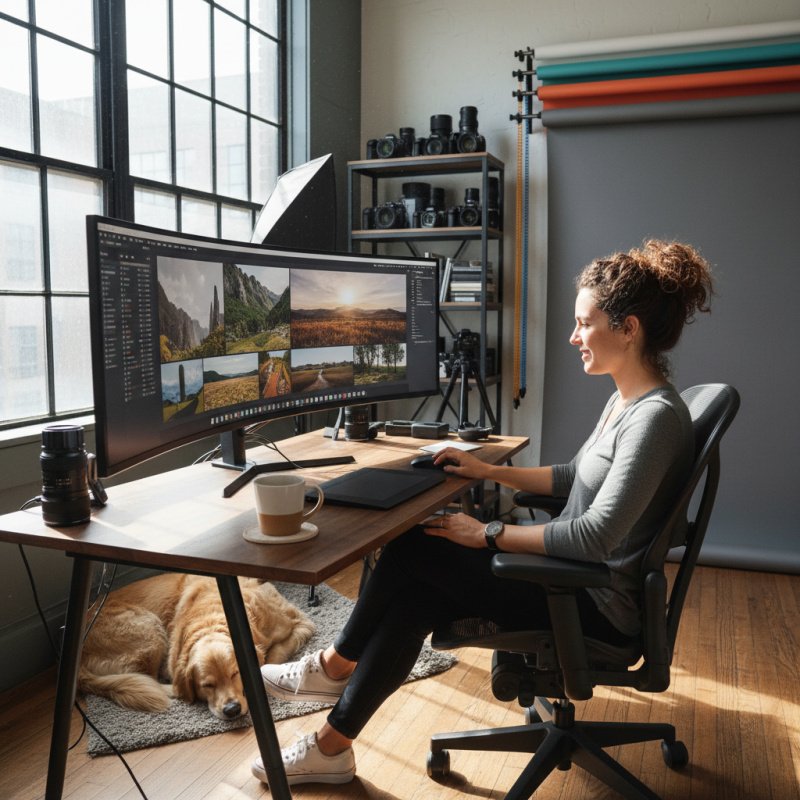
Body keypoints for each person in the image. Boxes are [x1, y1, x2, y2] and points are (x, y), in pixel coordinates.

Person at [251, 239, 714, 787]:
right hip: (577, 581)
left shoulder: (653, 419)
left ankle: (335, 667)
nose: (573, 337)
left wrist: (487, 533)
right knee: (419, 585)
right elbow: (573, 479)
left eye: (584, 324)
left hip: (594, 603)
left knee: (415, 544)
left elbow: (594, 536)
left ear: (628, 328)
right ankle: (333, 743)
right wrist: (487, 471)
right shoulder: (626, 402)